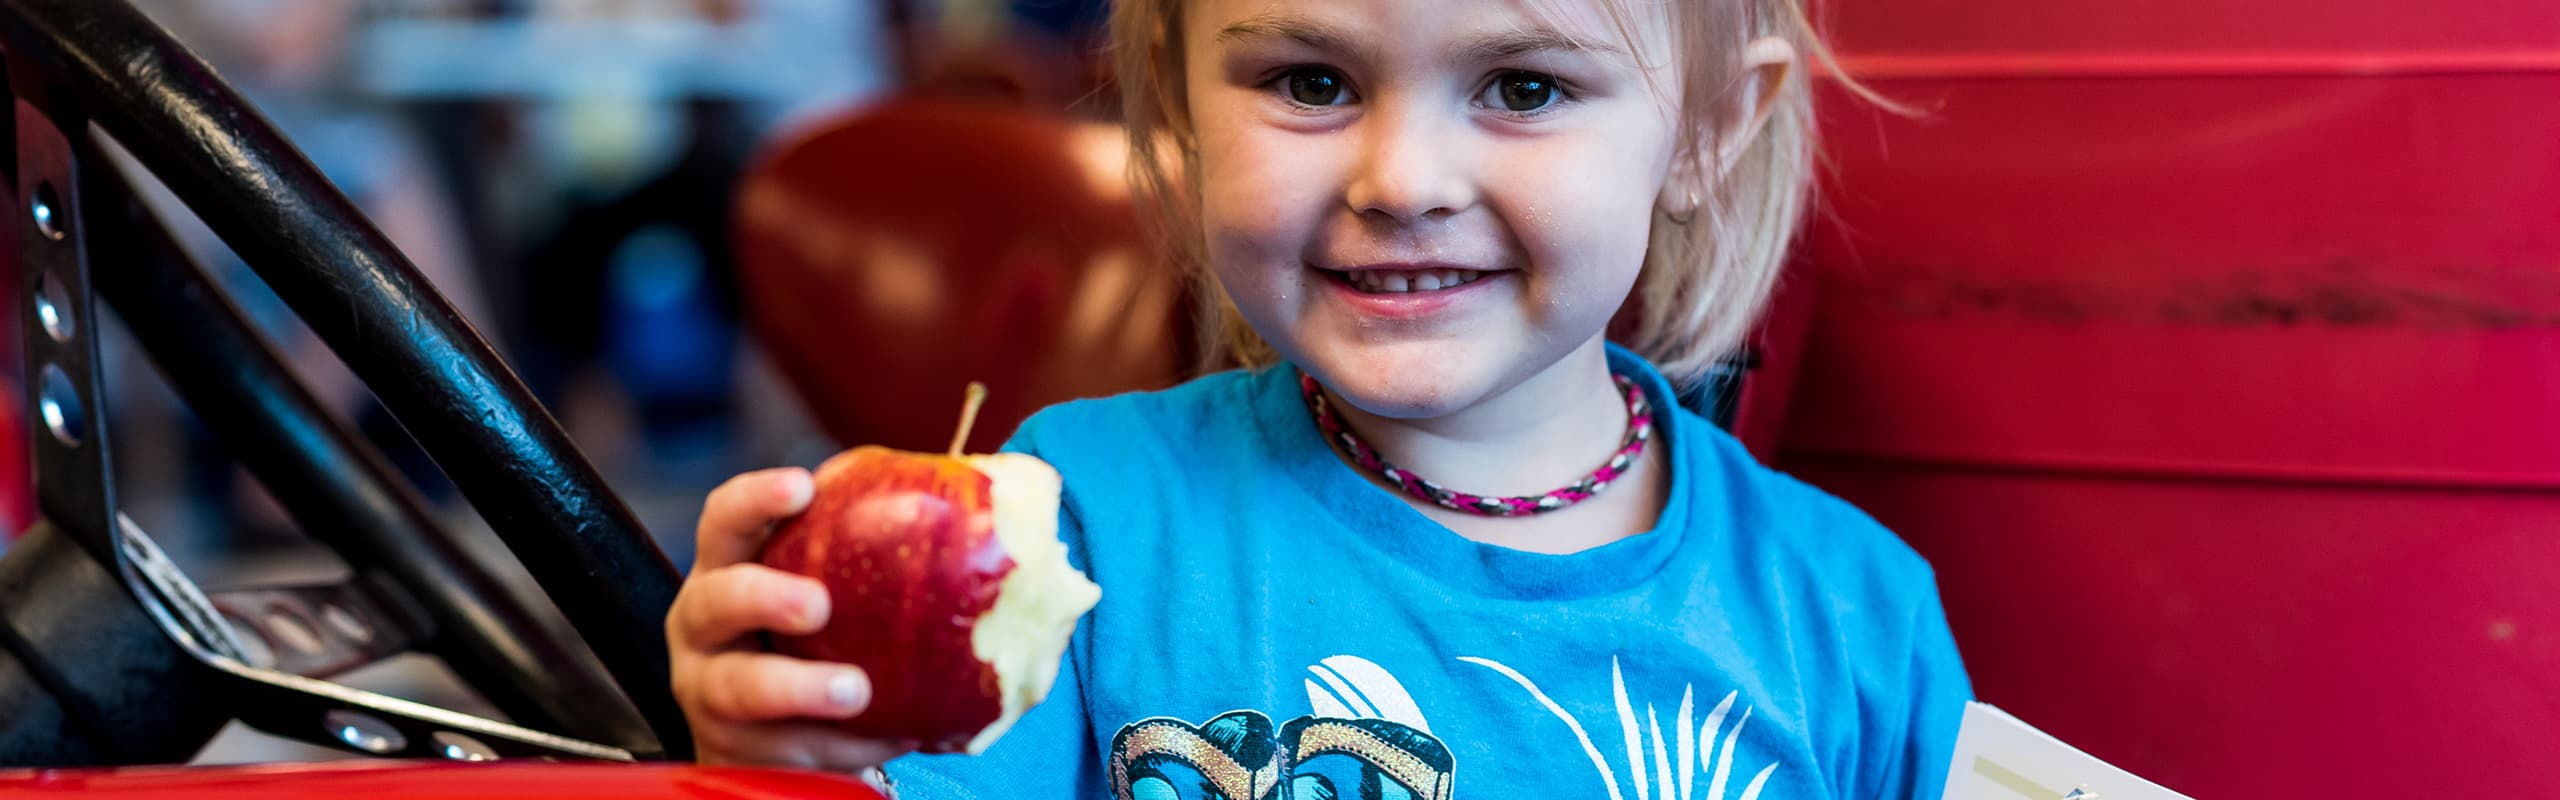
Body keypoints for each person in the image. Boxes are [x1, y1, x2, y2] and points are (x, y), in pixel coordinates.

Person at [666, 0, 1972, 796]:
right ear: (1174, 100)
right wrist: (794, 753)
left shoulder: (1857, 616)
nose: (1403, 177)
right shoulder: (1075, 530)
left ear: (1706, 129)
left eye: (1524, 86)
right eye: (1311, 80)